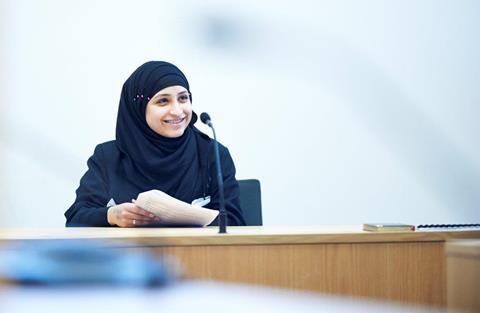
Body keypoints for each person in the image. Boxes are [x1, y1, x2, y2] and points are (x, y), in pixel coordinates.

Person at [65, 61, 246, 227]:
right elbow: (75, 218)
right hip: (132, 260)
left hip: (199, 260)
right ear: (138, 108)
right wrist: (111, 215)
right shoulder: (109, 156)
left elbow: (235, 222)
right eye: (163, 101)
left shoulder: (211, 153)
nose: (177, 111)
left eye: (183, 98)